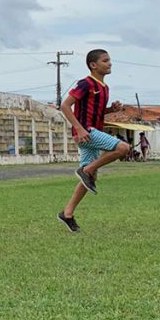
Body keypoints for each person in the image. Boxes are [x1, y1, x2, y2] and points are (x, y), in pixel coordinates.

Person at [56, 50, 129, 233]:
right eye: (105, 61)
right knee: (123, 148)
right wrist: (79, 129)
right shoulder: (85, 83)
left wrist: (110, 109)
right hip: (86, 132)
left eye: (110, 60)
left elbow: (95, 112)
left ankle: (67, 213)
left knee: (90, 179)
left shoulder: (104, 87)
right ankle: (86, 170)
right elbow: (65, 106)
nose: (110, 63)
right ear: (93, 65)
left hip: (92, 133)